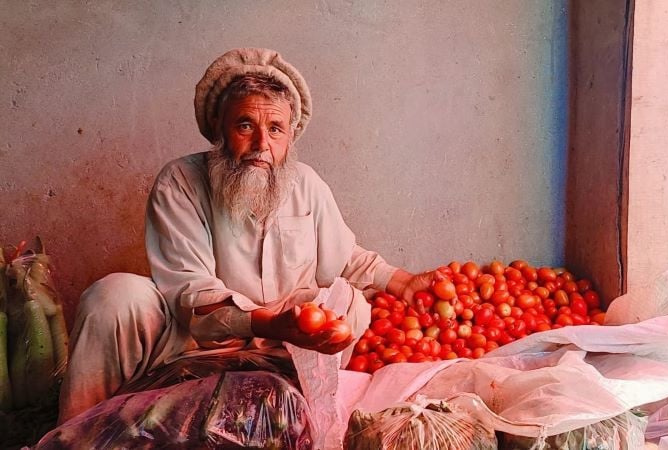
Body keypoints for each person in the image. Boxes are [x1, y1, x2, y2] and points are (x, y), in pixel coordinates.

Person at [58, 48, 434, 424]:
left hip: (288, 346)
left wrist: (402, 282)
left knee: (350, 303)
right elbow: (191, 292)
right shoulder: (180, 182)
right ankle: (71, 434)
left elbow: (344, 254)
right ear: (220, 130)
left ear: (290, 138)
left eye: (275, 129)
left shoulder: (307, 184)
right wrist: (267, 320)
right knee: (114, 295)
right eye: (245, 125)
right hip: (196, 342)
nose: (261, 145)